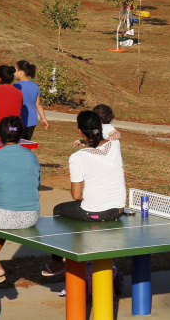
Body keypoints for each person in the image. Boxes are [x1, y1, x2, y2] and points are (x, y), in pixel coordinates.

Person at [43, 111, 127, 277]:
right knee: (78, 209)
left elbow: (76, 196)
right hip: (119, 210)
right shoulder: (115, 145)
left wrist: (91, 199)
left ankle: (58, 262)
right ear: (100, 127)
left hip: (97, 213)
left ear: (79, 131)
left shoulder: (78, 157)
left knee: (58, 210)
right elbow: (105, 144)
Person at [0, 116, 41, 282]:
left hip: (4, 216)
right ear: (21, 134)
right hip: (31, 217)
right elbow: (36, 183)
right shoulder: (32, 156)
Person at [13, 60, 49, 140]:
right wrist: (43, 118)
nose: (14, 73)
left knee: (17, 143)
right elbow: (38, 104)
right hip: (32, 122)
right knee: (26, 143)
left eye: (15, 70)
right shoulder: (35, 85)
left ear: (21, 72)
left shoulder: (16, 86)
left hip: (19, 121)